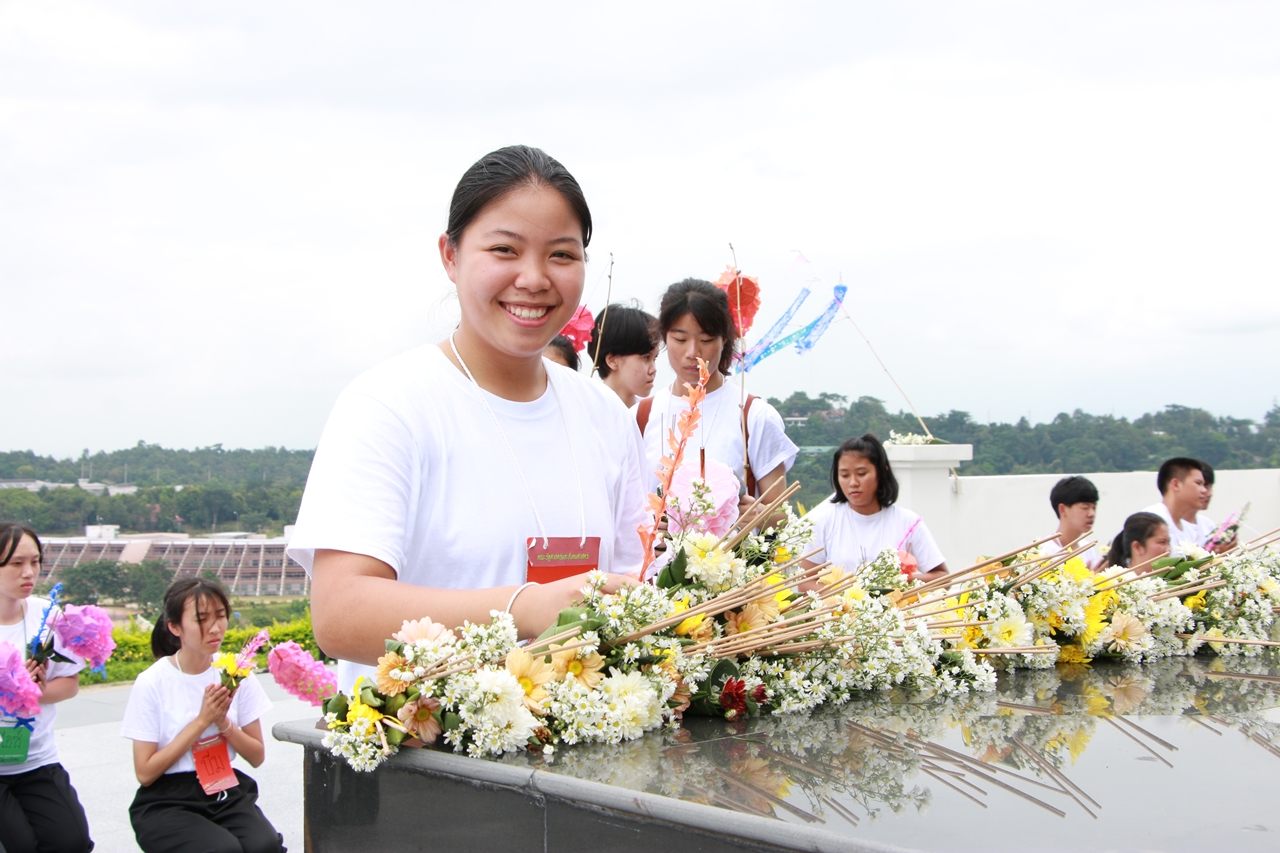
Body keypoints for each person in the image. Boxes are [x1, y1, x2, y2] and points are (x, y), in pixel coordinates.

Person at [287, 146, 646, 691]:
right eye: (504, 249)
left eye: (561, 255)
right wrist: (525, 609)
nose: (534, 278)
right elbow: (341, 613)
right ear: (450, 256)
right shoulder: (388, 405)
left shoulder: (605, 417)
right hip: (422, 739)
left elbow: (633, 587)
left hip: (578, 738)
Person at [120, 578, 283, 853]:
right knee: (223, 850)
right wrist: (202, 721)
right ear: (174, 627)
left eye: (220, 616)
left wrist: (223, 723)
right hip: (168, 798)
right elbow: (145, 773)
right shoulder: (152, 682)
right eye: (201, 619)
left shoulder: (235, 673)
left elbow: (257, 756)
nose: (215, 627)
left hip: (223, 788)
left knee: (263, 845)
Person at [637, 278, 798, 514]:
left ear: (725, 340)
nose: (693, 352)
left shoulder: (754, 415)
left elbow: (782, 516)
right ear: (664, 337)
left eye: (706, 340)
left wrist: (757, 515)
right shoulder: (640, 417)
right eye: (680, 339)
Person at [0, 523, 94, 853]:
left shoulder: (47, 616)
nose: (29, 572)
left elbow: (69, 685)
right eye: (16, 563)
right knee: (19, 845)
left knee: (73, 842)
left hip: (35, 760)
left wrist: (34, 690)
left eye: (35, 562)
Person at [801, 434, 948, 582]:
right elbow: (806, 582)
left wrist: (901, 582)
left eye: (861, 474)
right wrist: (846, 595)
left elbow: (942, 577)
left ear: (882, 472)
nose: (853, 483)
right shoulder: (824, 521)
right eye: (845, 475)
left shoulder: (908, 522)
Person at [1142, 457, 1224, 554]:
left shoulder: (1189, 531)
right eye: (1198, 483)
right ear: (1176, 484)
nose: (1205, 491)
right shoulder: (1148, 520)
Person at [586, 303, 659, 408]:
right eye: (646, 357)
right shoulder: (587, 411)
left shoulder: (654, 413)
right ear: (612, 360)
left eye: (654, 358)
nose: (653, 370)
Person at [1045, 476, 1105, 570]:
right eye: (1085, 507)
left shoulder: (1087, 549)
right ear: (1063, 509)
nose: (1092, 514)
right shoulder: (1044, 552)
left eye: (1094, 508)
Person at [1105, 512, 1170, 574]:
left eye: (1168, 542)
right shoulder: (1117, 581)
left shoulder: (1170, 580)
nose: (1168, 550)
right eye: (1162, 542)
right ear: (1137, 547)